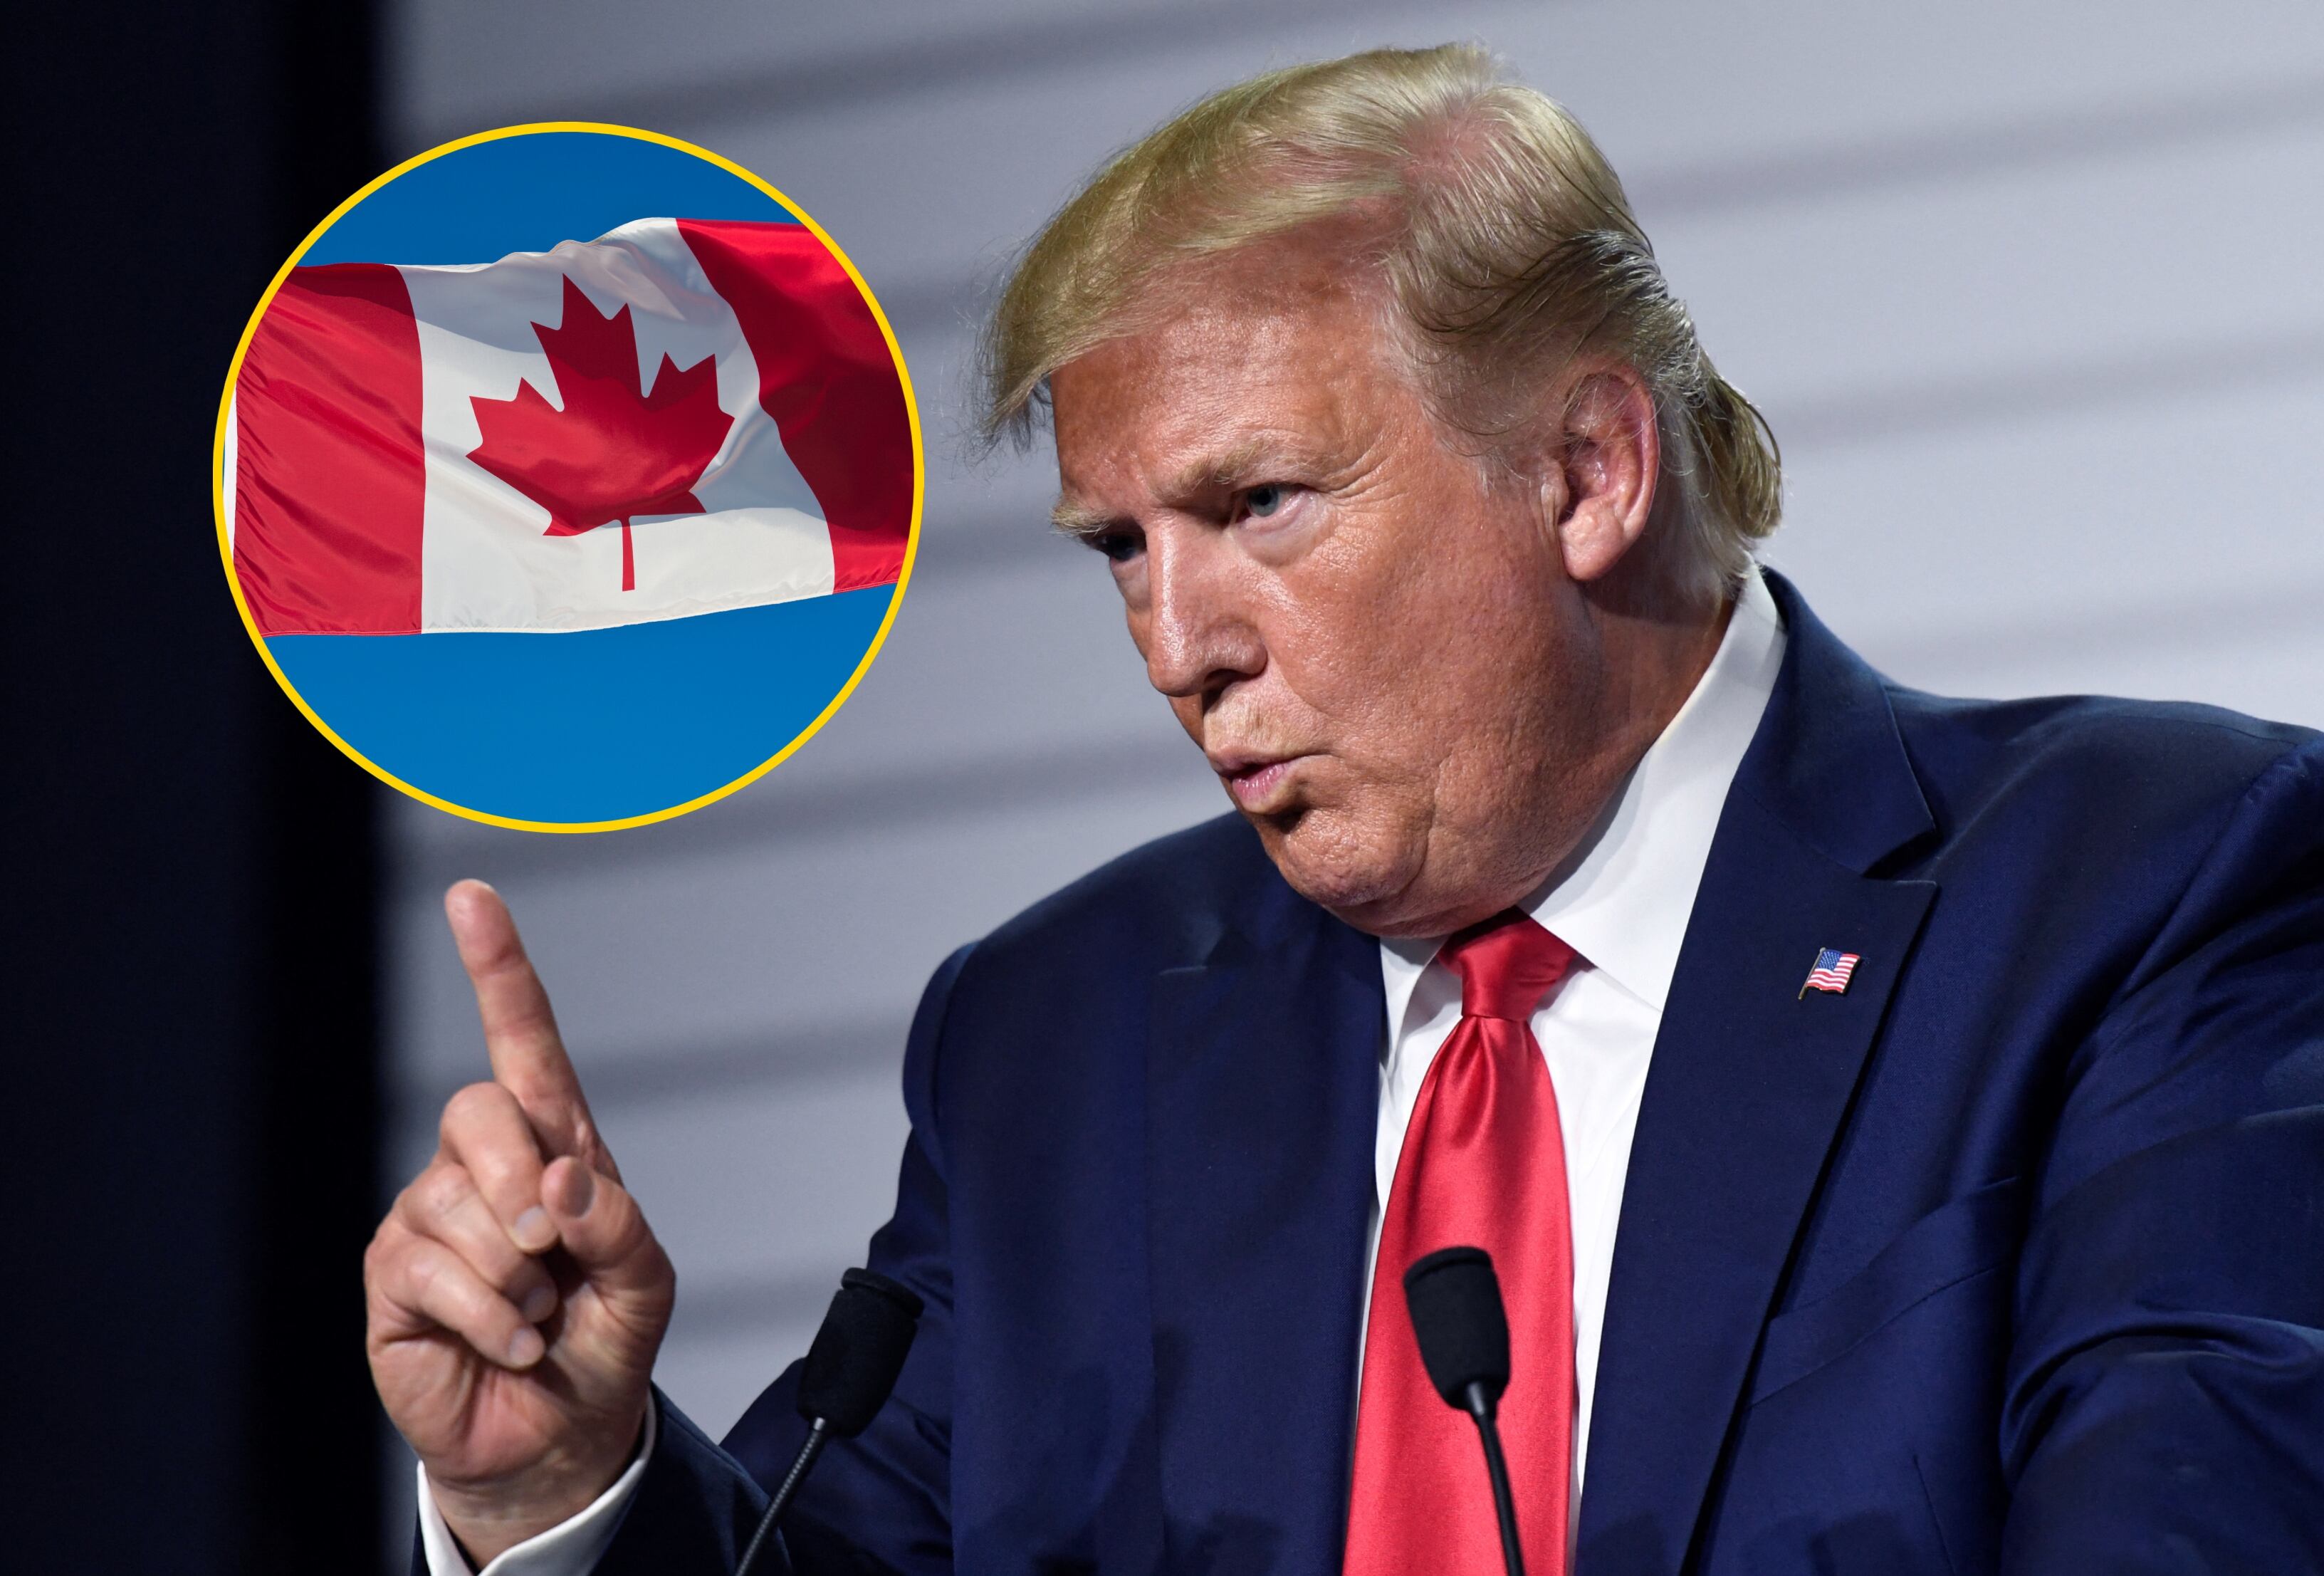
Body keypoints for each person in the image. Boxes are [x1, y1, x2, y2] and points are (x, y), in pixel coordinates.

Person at [364, 44, 2324, 1576]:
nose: (1173, 643)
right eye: (1119, 547)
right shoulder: (1057, 1039)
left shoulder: (2137, 891)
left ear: (1584, 470)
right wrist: (570, 1488)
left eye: (1256, 508)